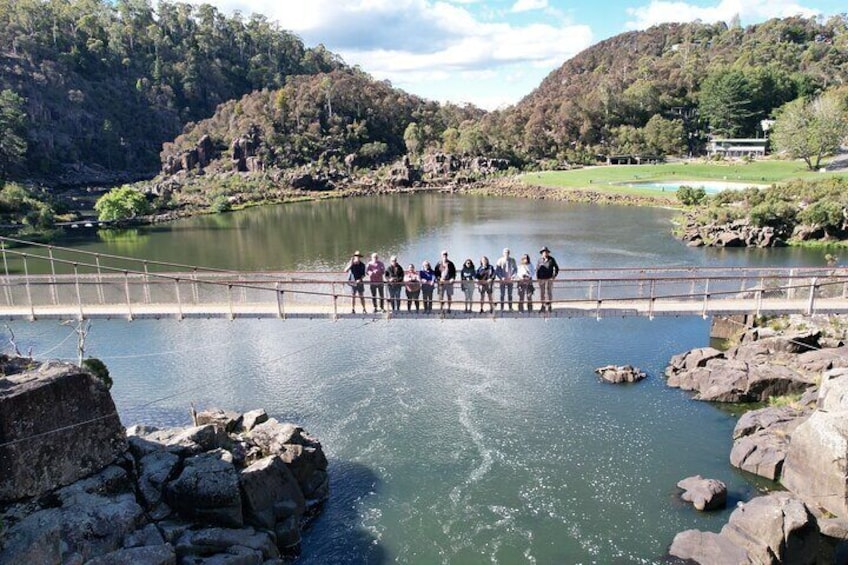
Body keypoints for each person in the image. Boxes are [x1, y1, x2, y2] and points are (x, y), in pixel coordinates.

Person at [536, 246, 560, 312]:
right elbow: (537, 269)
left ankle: (549, 306)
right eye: (544, 252)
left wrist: (554, 276)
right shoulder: (539, 260)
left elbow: (557, 268)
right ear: (542, 253)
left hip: (549, 278)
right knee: (542, 293)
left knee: (549, 292)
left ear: (548, 253)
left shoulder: (551, 259)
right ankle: (543, 306)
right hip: (541, 279)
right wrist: (537, 278)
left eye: (546, 252)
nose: (545, 253)